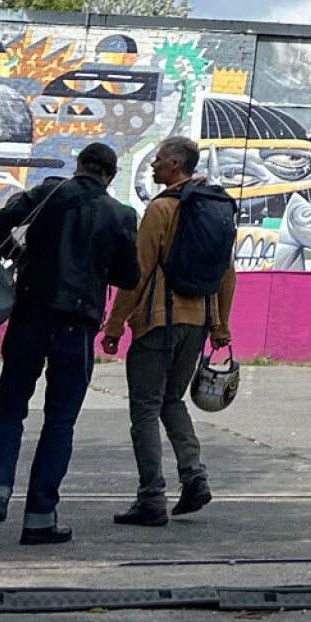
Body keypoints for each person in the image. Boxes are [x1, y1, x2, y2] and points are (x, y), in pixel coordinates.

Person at [0, 143, 140, 544]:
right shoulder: (121, 215)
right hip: (76, 326)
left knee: (10, 409)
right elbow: (129, 276)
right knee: (59, 423)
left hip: (30, 315)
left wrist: (21, 257)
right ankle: (40, 517)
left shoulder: (47, 192)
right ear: (110, 176)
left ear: (79, 165)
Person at [100, 135, 236, 528]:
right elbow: (228, 274)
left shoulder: (161, 209)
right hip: (197, 323)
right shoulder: (215, 206)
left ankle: (151, 497)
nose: (154, 166)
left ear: (176, 165)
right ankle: (194, 477)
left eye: (159, 160)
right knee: (171, 401)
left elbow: (137, 273)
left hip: (158, 320)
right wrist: (220, 325)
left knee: (145, 407)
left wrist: (113, 324)